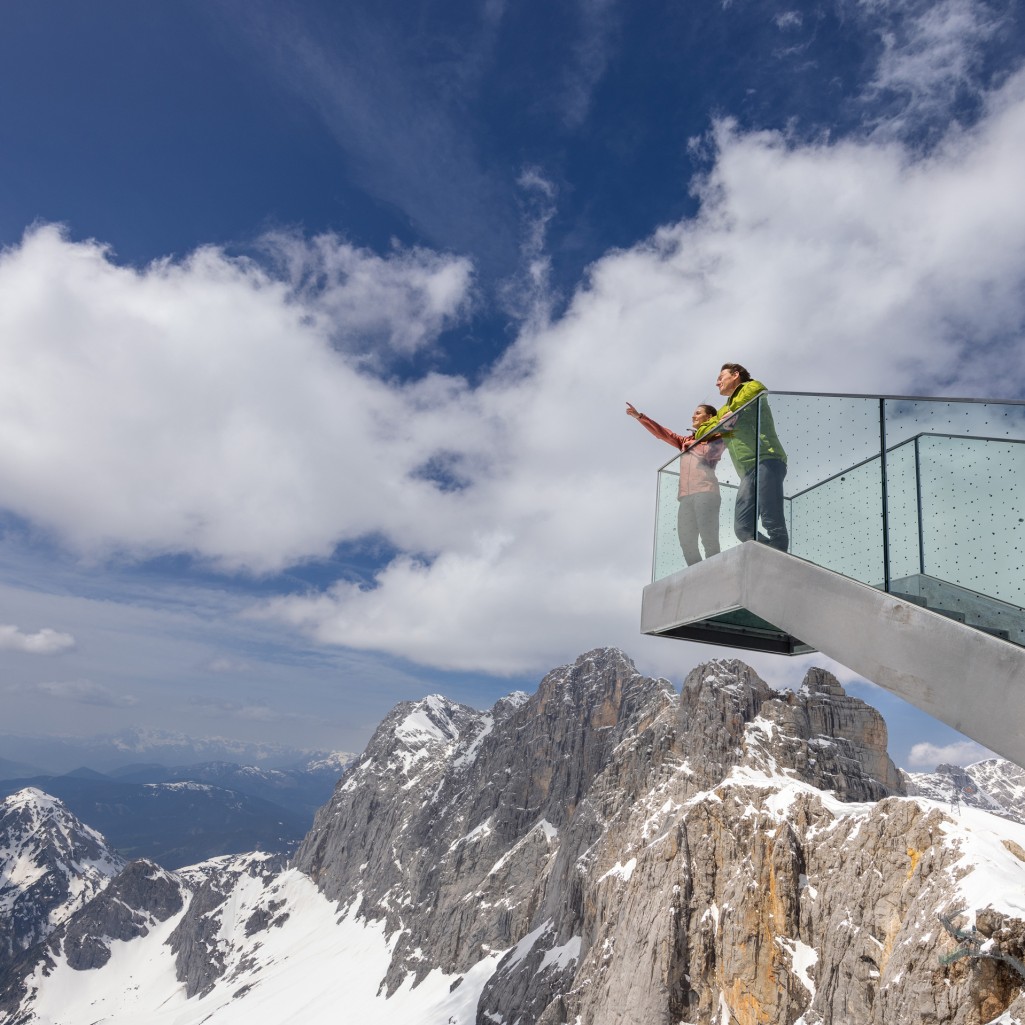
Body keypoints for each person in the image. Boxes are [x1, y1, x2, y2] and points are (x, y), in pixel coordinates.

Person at [697, 362, 788, 551]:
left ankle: (780, 558)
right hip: (747, 472)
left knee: (771, 517)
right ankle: (771, 554)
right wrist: (724, 421)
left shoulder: (751, 387)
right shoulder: (723, 410)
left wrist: (734, 412)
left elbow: (757, 390)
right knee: (742, 527)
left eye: (720, 377)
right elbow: (701, 433)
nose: (717, 383)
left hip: (767, 459)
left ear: (736, 374)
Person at [626, 401, 725, 565]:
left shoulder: (717, 436)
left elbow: (706, 454)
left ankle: (717, 572)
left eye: (698, 413)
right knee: (686, 541)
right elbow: (664, 433)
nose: (694, 415)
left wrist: (693, 441)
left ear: (709, 417)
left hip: (706, 492)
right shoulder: (687, 440)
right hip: (685, 496)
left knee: (709, 538)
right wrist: (640, 417)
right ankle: (698, 575)